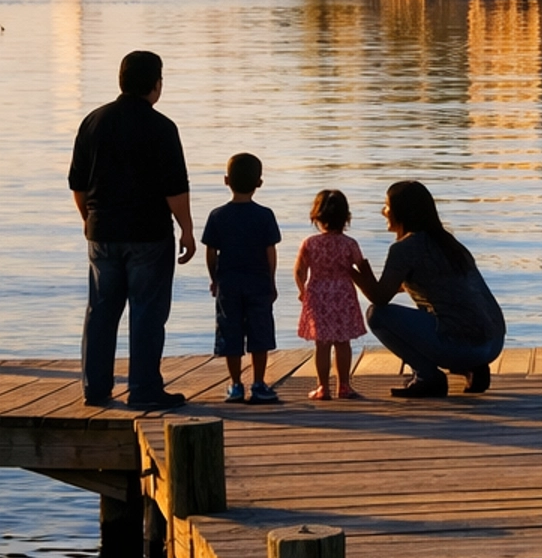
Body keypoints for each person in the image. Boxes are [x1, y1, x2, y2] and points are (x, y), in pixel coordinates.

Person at [69, 49, 195, 412]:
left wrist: (87, 219)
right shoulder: (162, 127)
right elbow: (175, 189)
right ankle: (143, 388)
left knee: (101, 310)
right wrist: (186, 230)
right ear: (155, 84)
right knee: (147, 312)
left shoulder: (93, 121)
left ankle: (95, 388)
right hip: (148, 234)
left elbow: (78, 184)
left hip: (101, 230)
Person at [358, 180, 505, 400]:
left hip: (464, 346)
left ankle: (427, 377)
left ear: (402, 211)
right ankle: (472, 368)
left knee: (377, 315)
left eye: (387, 206)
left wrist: (354, 270)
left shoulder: (405, 248)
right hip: (493, 343)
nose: (383, 211)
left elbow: (380, 297)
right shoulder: (448, 242)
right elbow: (432, 285)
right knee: (440, 315)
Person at [203, 153, 282, 404]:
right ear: (259, 183)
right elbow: (270, 251)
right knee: (260, 332)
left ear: (226, 180)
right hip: (258, 281)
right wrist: (271, 280)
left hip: (229, 282)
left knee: (230, 331)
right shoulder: (265, 215)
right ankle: (259, 383)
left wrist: (214, 277)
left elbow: (211, 251)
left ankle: (236, 385)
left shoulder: (217, 215)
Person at [294, 189, 367, 402]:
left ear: (316, 216)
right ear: (346, 217)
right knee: (343, 343)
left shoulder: (310, 243)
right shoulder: (349, 243)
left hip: (318, 295)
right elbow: (361, 268)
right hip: (343, 294)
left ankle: (323, 387)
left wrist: (302, 291)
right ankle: (344, 385)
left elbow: (300, 270)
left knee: (322, 344)